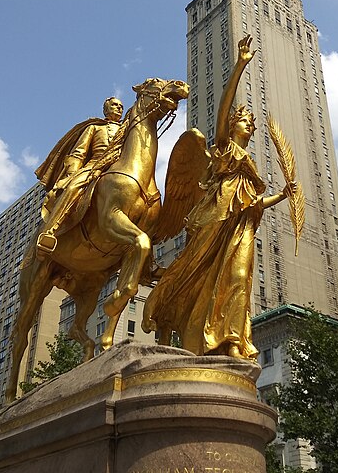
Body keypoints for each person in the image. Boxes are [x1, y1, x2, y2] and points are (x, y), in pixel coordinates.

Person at [142, 36, 296, 358]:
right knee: (194, 273)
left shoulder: (250, 169)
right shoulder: (225, 149)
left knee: (239, 278)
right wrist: (239, 65)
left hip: (241, 229)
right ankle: (173, 313)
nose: (248, 124)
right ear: (232, 125)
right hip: (214, 222)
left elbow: (252, 204)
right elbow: (224, 106)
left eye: (251, 123)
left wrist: (282, 195)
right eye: (244, 119)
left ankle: (232, 342)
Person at [33, 97, 124, 253]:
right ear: (105, 109)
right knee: (73, 187)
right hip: (94, 166)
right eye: (114, 105)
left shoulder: (128, 129)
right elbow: (78, 153)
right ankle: (51, 230)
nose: (118, 108)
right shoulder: (94, 128)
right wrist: (72, 174)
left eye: (121, 106)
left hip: (120, 168)